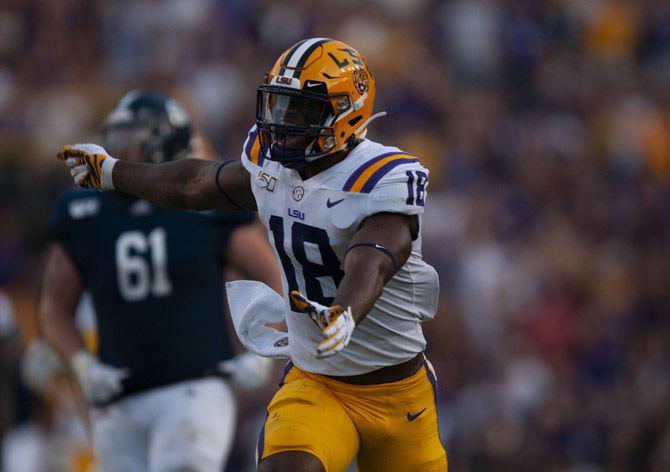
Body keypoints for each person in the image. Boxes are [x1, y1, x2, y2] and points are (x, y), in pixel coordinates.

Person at [58, 38, 448, 471]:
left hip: (399, 393)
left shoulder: (383, 176)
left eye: (300, 112)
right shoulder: (271, 166)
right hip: (318, 383)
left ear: (345, 113)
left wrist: (346, 311)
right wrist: (112, 172)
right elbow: (197, 184)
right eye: (279, 106)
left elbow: (373, 255)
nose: (282, 123)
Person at [44, 90, 282, 472]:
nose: (123, 145)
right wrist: (82, 366)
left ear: (165, 138)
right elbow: (55, 308)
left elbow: (271, 277)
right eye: (118, 135)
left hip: (193, 389)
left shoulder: (202, 203)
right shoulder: (82, 212)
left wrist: (257, 351)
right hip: (118, 398)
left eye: (135, 135)